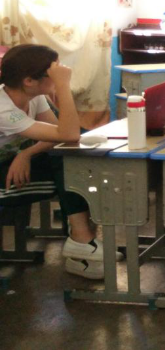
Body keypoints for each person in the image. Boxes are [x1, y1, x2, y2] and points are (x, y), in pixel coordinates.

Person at [0, 44, 120, 279]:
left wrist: (26, 153)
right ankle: (81, 241)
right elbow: (69, 133)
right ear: (29, 81)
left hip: (11, 163)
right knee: (70, 171)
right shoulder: (3, 109)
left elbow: (62, 134)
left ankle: (81, 245)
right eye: (52, 71)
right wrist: (63, 86)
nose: (59, 73)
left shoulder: (33, 96)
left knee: (72, 160)